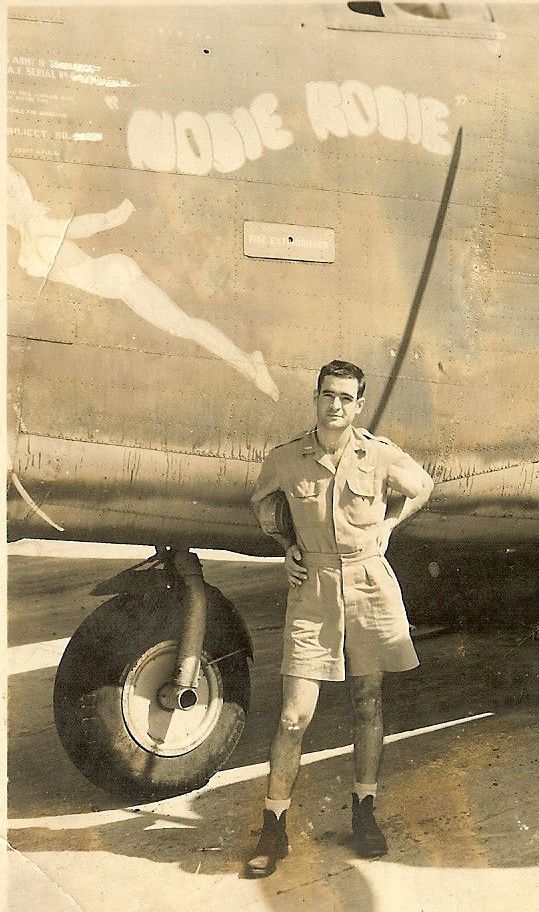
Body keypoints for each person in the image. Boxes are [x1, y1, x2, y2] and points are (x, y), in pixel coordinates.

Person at [247, 359, 434, 877]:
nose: (335, 406)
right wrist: (287, 546)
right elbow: (263, 504)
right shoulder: (287, 459)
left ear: (359, 405)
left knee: (368, 702)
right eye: (328, 395)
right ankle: (273, 827)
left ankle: (364, 813)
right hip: (314, 590)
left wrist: (389, 526)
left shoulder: (377, 454)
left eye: (346, 398)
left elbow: (422, 486)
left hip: (369, 585)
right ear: (316, 397)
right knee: (294, 716)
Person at [6, 164, 279, 400]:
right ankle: (249, 365)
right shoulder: (26, 244)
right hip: (113, 280)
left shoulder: (34, 229)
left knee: (184, 325)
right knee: (183, 326)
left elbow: (77, 227)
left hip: (116, 278)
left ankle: (251, 364)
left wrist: (114, 215)